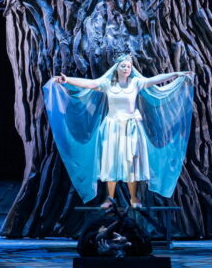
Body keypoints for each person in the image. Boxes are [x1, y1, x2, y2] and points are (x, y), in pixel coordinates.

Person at [44, 53, 194, 208]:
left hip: (131, 127)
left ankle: (133, 198)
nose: (126, 68)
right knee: (111, 161)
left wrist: (177, 74)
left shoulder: (136, 83)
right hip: (112, 127)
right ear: (116, 67)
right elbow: (88, 83)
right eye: (123, 65)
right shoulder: (107, 83)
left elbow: (155, 79)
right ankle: (110, 198)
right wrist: (67, 80)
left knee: (131, 162)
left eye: (129, 66)